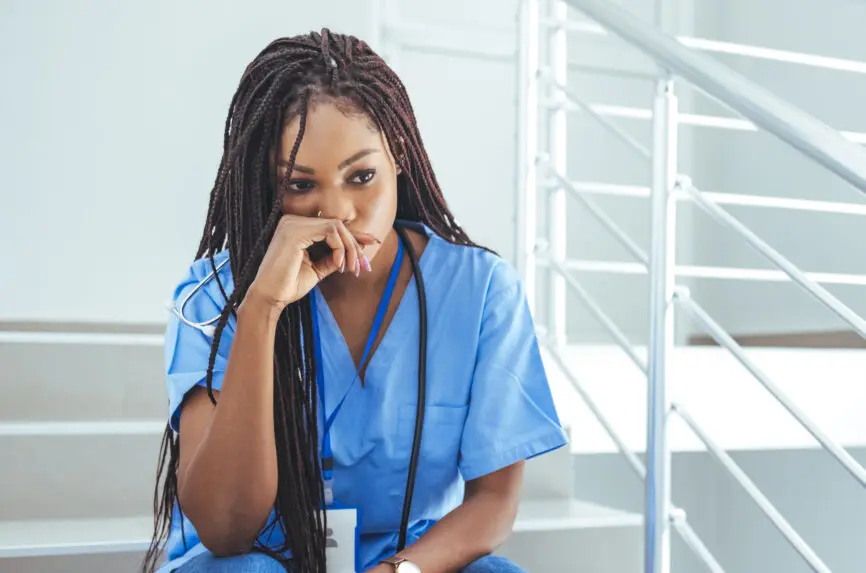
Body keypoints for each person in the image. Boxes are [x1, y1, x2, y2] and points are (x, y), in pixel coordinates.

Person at [143, 29, 567, 573]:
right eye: (300, 185)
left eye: (361, 176)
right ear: (266, 187)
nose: (338, 211)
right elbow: (226, 530)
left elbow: (493, 502)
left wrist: (399, 571)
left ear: (399, 158)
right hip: (258, 557)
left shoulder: (481, 290)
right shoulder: (216, 297)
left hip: (405, 559)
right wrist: (261, 310)